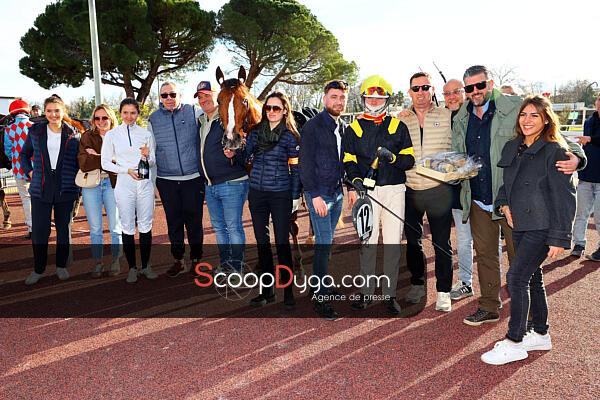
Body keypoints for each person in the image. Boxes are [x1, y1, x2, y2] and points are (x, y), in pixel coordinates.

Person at [452, 65, 584, 326]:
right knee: (486, 256)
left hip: (513, 201)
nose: (475, 91)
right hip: (478, 198)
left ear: (490, 84)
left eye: (480, 85)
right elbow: (459, 154)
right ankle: (489, 306)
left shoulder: (515, 107)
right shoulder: (461, 117)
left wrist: (578, 158)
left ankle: (533, 320)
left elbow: (557, 136)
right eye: (469, 87)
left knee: (521, 260)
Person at [481, 95, 575, 365]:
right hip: (520, 224)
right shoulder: (514, 146)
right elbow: (505, 184)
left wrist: (559, 237)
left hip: (543, 226)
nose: (527, 120)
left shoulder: (554, 150)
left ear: (546, 120)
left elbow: (565, 196)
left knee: (516, 278)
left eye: (534, 115)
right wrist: (503, 204)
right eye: (523, 114)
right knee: (532, 278)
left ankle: (515, 341)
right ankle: (541, 333)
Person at [343, 75, 415, 315]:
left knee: (392, 243)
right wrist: (355, 180)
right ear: (363, 99)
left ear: (386, 100)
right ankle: (366, 293)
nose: (374, 101)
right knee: (368, 243)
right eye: (370, 97)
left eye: (379, 98)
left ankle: (389, 295)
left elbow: (409, 160)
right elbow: (348, 160)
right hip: (368, 193)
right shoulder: (353, 128)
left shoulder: (398, 126)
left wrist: (392, 158)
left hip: (395, 191)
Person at [399, 72, 454, 312]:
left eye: (425, 87)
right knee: (413, 242)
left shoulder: (447, 115)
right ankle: (418, 284)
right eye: (416, 88)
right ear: (409, 92)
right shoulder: (400, 120)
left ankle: (443, 291)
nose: (420, 92)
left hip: (438, 190)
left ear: (432, 90)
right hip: (410, 189)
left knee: (441, 243)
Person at [244, 91, 301, 308]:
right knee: (262, 243)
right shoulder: (255, 132)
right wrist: (236, 152)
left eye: (276, 108)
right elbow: (245, 158)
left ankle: (288, 292)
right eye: (268, 108)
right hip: (257, 194)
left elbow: (296, 170)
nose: (271, 112)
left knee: (282, 243)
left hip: (280, 195)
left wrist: (295, 196)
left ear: (285, 110)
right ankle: (266, 291)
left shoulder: (290, 136)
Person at [300, 79, 349, 320]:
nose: (338, 102)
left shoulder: (342, 127)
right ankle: (320, 297)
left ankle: (318, 285)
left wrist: (348, 188)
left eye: (342, 98)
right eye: (334, 97)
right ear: (324, 99)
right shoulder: (312, 126)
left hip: (337, 192)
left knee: (326, 243)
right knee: (323, 244)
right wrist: (315, 195)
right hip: (319, 194)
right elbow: (305, 164)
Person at [20, 95, 80, 285]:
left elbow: (78, 162)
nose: (53, 114)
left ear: (63, 111)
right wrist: (30, 172)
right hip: (41, 190)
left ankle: (61, 266)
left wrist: (76, 183)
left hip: (65, 189)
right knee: (39, 231)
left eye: (57, 110)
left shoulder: (73, 134)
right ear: (44, 112)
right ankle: (38, 269)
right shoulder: (35, 131)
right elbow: (24, 154)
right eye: (49, 111)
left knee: (63, 230)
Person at [148, 82, 205, 277]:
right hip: (166, 180)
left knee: (194, 221)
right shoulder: (153, 119)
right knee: (174, 222)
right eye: (164, 95)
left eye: (172, 94)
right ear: (160, 98)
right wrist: (154, 182)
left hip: (193, 178)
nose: (169, 98)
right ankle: (178, 260)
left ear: (179, 95)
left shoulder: (194, 112)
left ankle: (196, 259)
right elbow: (151, 153)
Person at [101, 98, 157, 284]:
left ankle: (146, 266)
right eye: (125, 112)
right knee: (127, 226)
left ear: (138, 114)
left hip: (144, 185)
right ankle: (132, 268)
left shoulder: (146, 134)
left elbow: (153, 161)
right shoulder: (112, 135)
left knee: (145, 225)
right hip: (124, 185)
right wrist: (126, 170)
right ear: (120, 113)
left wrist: (147, 157)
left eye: (133, 113)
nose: (129, 116)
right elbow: (105, 163)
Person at [197, 80, 249, 272]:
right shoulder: (201, 120)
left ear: (217, 96)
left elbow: (245, 144)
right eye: (200, 97)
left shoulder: (229, 116)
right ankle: (226, 263)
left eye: (207, 95)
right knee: (219, 228)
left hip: (231, 183)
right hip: (210, 185)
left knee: (233, 227)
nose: (204, 100)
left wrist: (236, 152)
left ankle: (237, 266)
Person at [78, 104, 122, 277]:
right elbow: (84, 163)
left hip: (113, 184)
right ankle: (98, 262)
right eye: (97, 118)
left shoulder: (119, 136)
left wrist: (96, 156)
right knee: (95, 228)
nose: (101, 121)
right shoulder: (87, 136)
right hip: (91, 185)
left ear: (111, 118)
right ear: (93, 120)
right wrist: (109, 159)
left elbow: (123, 162)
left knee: (115, 226)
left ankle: (116, 260)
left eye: (105, 117)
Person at [571, 93, 600, 260]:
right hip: (586, 176)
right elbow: (585, 145)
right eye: (599, 99)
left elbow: (592, 140)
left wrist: (590, 139)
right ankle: (579, 244)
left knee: (599, 216)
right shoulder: (588, 121)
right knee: (580, 213)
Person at [4, 99, 33, 238]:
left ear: (12, 113)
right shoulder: (34, 126)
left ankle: (31, 228)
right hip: (37, 167)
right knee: (40, 197)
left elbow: (8, 150)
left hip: (18, 167)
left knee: (26, 198)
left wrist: (14, 158)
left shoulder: (9, 129)